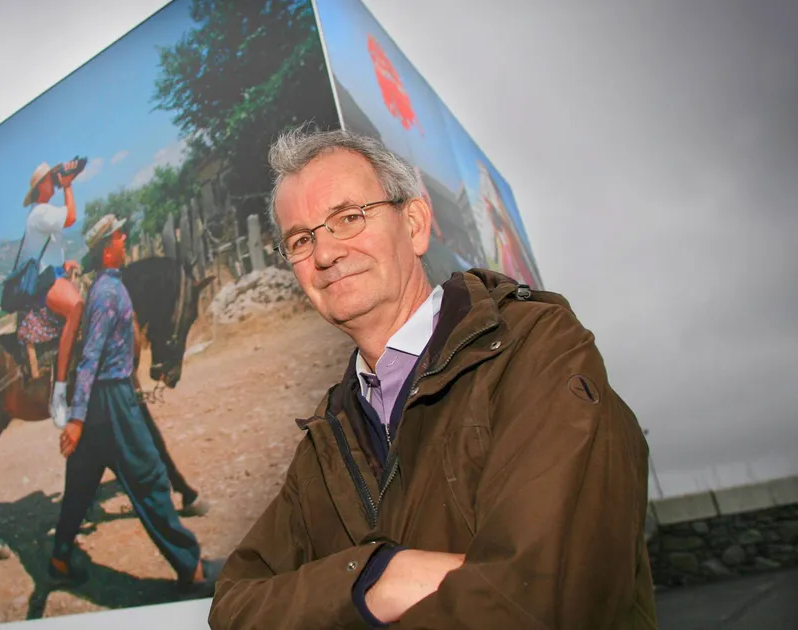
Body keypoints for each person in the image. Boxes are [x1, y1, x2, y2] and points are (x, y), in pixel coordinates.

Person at [208, 127, 657, 629]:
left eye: (349, 218)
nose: (325, 254)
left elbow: (544, 599)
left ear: (416, 224)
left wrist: (334, 603)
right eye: (301, 239)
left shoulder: (535, 352)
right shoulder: (327, 437)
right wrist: (374, 578)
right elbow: (233, 608)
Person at [50, 214, 218, 596]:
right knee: (150, 477)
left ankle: (60, 558)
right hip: (112, 397)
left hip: (105, 398)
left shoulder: (111, 286)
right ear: (107, 248)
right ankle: (192, 569)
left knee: (80, 484)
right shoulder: (107, 295)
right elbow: (90, 357)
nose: (125, 239)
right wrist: (76, 419)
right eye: (119, 236)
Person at [15, 159, 86, 427]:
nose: (54, 180)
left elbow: (51, 251)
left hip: (54, 274)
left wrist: (64, 264)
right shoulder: (39, 213)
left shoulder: (43, 213)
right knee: (77, 306)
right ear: (41, 186)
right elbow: (71, 217)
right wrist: (68, 186)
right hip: (45, 284)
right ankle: (59, 392)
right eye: (51, 178)